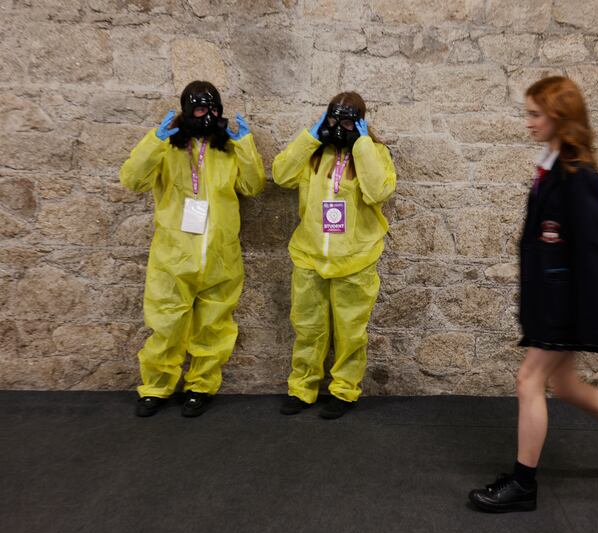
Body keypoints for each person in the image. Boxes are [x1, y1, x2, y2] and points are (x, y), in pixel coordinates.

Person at [468, 76, 598, 512]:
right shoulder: (552, 164)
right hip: (552, 299)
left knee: (529, 380)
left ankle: (523, 484)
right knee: (566, 384)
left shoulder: (579, 175)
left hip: (565, 305)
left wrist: (588, 316)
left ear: (560, 117)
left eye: (535, 114)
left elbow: (595, 249)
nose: (528, 122)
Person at [120, 81, 266, 418]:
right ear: (186, 110)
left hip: (220, 257)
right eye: (200, 108)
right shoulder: (168, 149)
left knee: (214, 327)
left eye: (213, 109)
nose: (207, 115)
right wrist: (154, 142)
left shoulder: (227, 150)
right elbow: (132, 180)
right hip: (173, 256)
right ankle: (156, 387)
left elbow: (252, 185)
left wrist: (244, 145)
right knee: (166, 325)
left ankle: (200, 386)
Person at [272, 92, 396, 419]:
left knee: (349, 332)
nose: (338, 126)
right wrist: (310, 137)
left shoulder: (375, 153)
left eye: (347, 121)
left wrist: (363, 145)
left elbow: (379, 191)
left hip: (355, 260)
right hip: (310, 256)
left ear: (360, 122)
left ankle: (344, 390)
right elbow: (281, 174)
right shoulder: (315, 154)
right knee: (308, 327)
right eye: (333, 118)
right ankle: (302, 388)